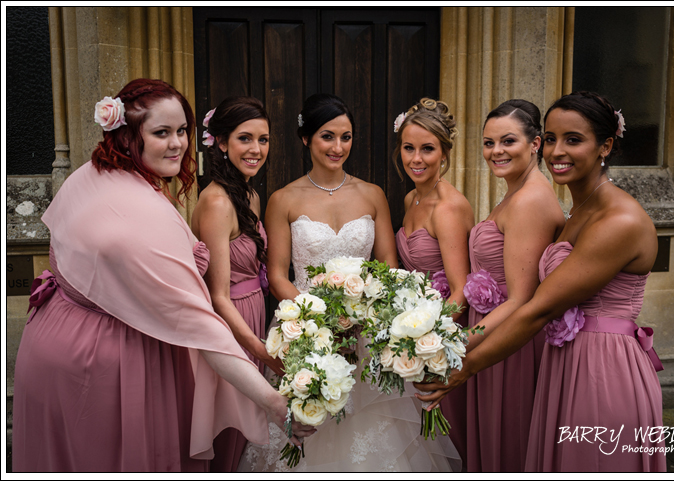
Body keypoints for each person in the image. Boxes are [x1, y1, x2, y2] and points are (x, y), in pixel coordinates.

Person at [12, 79, 314, 472]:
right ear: (125, 136)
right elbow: (205, 329)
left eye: (182, 131)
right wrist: (275, 403)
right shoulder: (145, 214)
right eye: (161, 133)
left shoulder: (91, 174)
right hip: (101, 362)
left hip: (51, 341)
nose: (178, 144)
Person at [417, 91, 665, 472]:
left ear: (606, 146)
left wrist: (462, 365)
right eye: (551, 139)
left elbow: (538, 306)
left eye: (574, 139)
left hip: (603, 368)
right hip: (564, 360)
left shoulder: (619, 220)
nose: (557, 151)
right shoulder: (580, 210)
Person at [239, 93, 461, 472]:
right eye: (328, 136)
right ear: (306, 138)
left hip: (366, 332)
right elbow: (277, 275)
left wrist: (365, 316)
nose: (338, 147)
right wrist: (319, 321)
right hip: (306, 329)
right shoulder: (283, 198)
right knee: (308, 422)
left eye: (346, 137)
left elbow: (389, 268)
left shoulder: (373, 195)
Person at [457, 99, 564, 471]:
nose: (496, 151)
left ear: (535, 144)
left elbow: (521, 299)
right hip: (492, 334)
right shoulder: (515, 192)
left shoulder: (529, 200)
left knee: (506, 448)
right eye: (488, 143)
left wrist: (456, 345)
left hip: (508, 345)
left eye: (508, 141)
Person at [191, 97, 285, 471]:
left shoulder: (249, 195)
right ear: (222, 142)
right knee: (229, 429)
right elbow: (217, 296)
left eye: (263, 139)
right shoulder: (215, 202)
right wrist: (260, 352)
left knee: (247, 431)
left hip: (253, 314)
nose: (256, 149)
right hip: (230, 330)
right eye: (245, 139)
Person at [391, 97, 474, 466]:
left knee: (444, 438)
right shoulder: (411, 197)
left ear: (444, 153)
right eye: (409, 148)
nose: (416, 159)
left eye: (427, 149)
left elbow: (461, 291)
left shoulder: (449, 207)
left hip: (438, 342)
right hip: (413, 332)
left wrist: (430, 341)